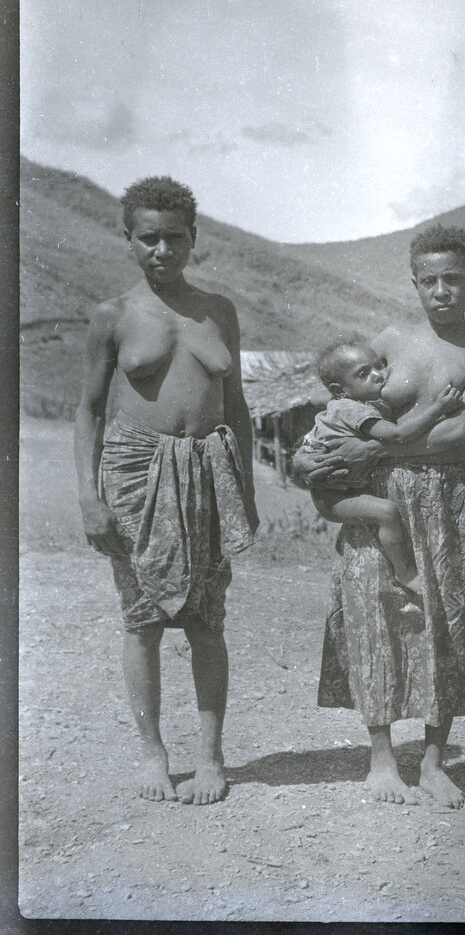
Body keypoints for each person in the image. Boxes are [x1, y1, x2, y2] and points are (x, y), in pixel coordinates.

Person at [293, 224, 465, 809]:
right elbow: (346, 408)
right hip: (382, 494)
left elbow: (461, 429)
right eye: (429, 280)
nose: (442, 290)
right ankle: (381, 759)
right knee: (374, 612)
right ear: (415, 283)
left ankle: (435, 762)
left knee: (447, 620)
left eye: (454, 279)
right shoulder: (388, 339)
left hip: (449, 496)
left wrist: (377, 449)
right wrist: (327, 459)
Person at [74, 176, 258, 805]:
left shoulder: (219, 312)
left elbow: (237, 408)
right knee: (143, 621)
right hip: (133, 473)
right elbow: (88, 411)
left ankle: (210, 758)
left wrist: (248, 492)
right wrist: (89, 496)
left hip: (208, 472)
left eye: (173, 238)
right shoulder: (114, 316)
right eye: (147, 238)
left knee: (208, 622)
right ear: (129, 239)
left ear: (193, 239)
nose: (161, 249)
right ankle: (154, 754)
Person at [301, 336, 463, 617]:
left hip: (339, 488)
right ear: (340, 390)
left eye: (379, 365)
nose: (378, 374)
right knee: (386, 512)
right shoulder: (352, 409)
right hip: (332, 495)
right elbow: (398, 436)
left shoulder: (356, 405)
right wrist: (439, 409)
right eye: (364, 373)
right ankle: (405, 572)